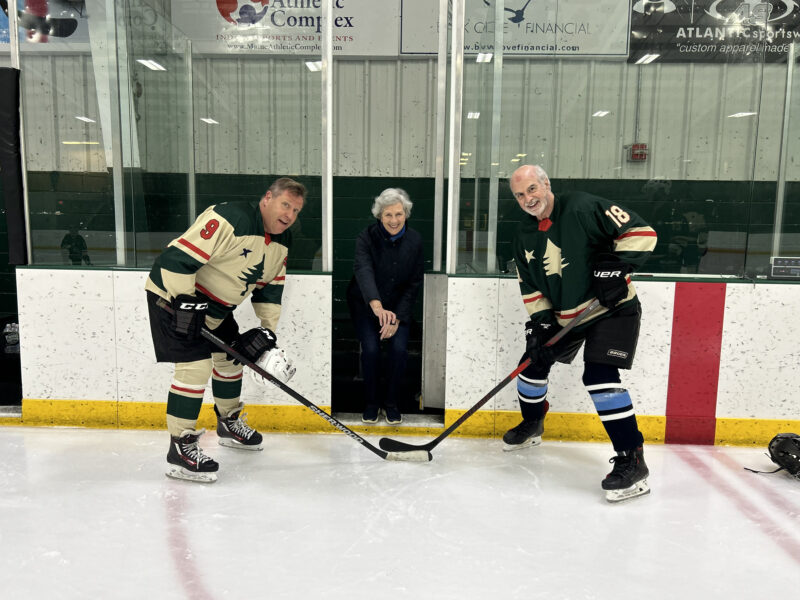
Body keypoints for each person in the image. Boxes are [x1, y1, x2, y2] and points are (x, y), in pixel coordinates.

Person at [505, 165, 657, 502]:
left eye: (532, 189)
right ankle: (533, 424)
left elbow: (642, 232)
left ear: (546, 184)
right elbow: (530, 287)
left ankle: (633, 459)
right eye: (519, 194)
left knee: (600, 376)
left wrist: (617, 267)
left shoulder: (583, 206)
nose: (528, 199)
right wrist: (541, 323)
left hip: (611, 309)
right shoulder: (522, 235)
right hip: (567, 316)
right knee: (530, 367)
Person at [145, 177, 306, 483]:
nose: (289, 215)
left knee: (232, 359)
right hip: (172, 295)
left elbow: (270, 287)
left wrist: (267, 333)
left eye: (296, 210)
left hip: (216, 309)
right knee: (195, 366)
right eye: (285, 204)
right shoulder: (232, 217)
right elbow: (176, 259)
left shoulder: (283, 241)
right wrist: (184, 302)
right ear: (267, 198)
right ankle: (180, 448)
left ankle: (228, 423)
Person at [346, 188, 424, 425]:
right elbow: (363, 271)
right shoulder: (365, 238)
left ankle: (391, 403)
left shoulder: (415, 240)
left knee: (398, 351)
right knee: (370, 351)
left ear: (406, 214)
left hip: (398, 308)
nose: (394, 220)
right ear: (379, 215)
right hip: (367, 305)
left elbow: (414, 283)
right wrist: (377, 308)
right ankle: (371, 403)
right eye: (388, 215)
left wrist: (396, 318)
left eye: (398, 214)